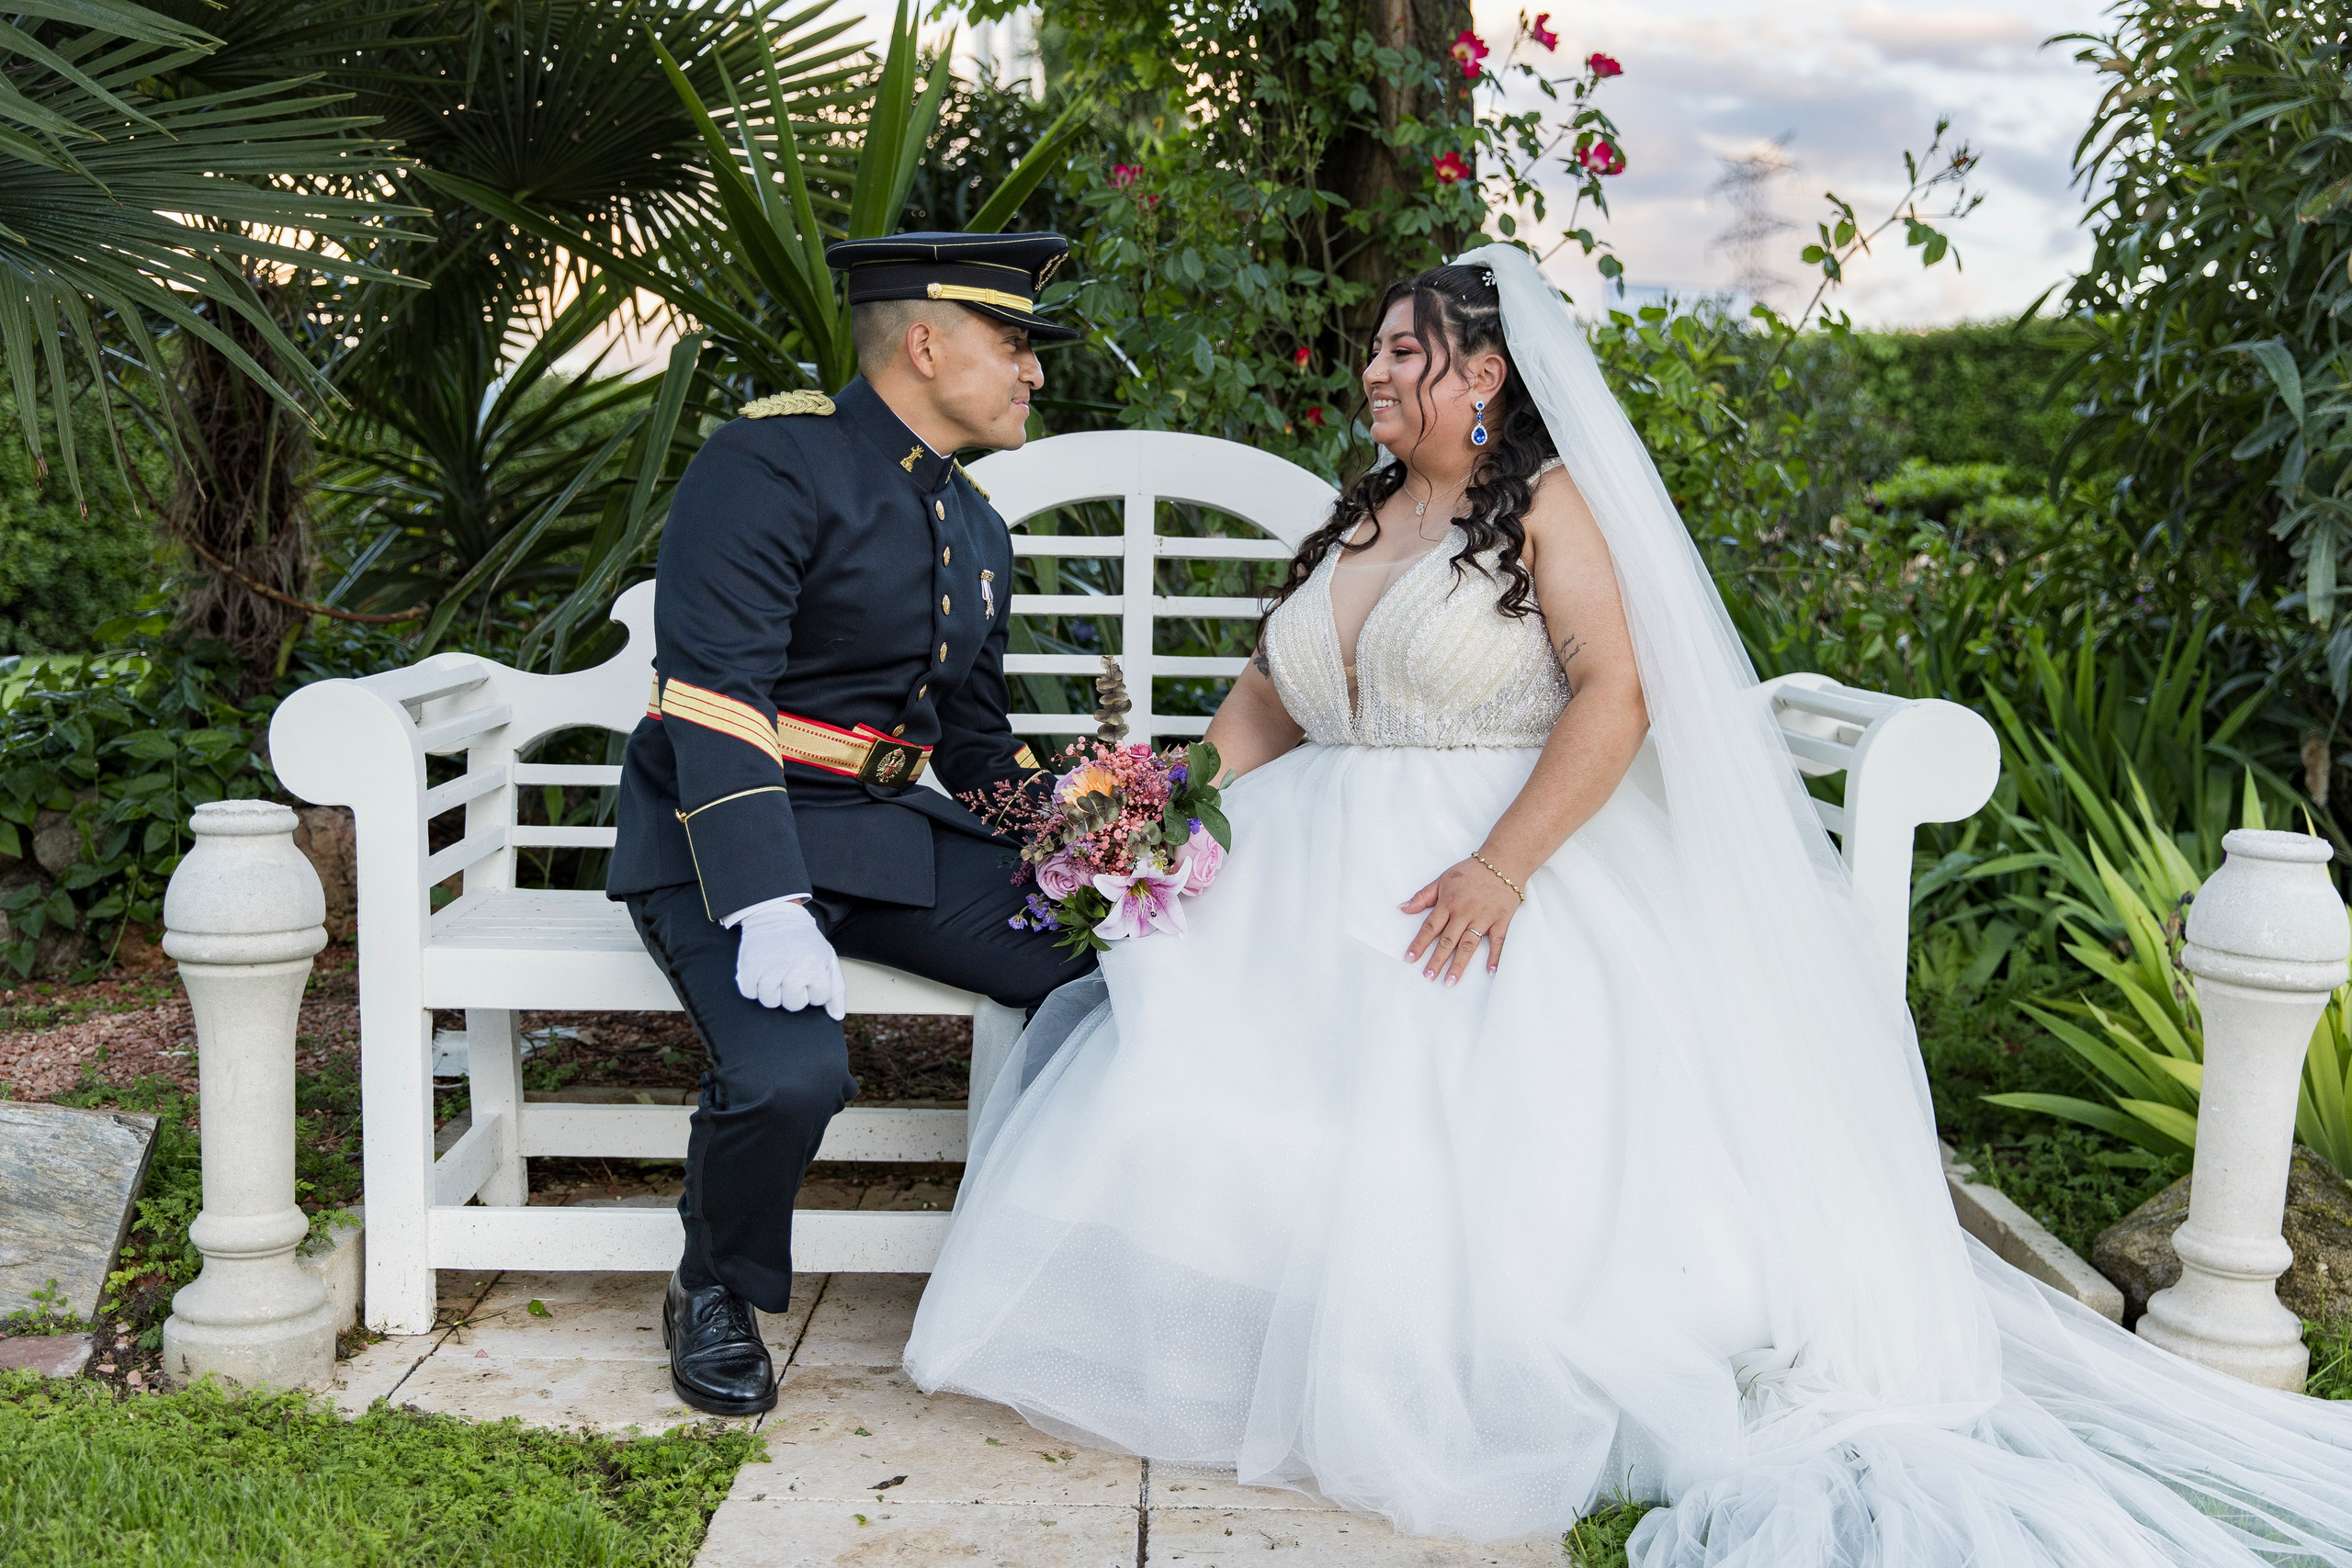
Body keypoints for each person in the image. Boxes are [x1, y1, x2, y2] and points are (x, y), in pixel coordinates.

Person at [902, 245, 2352, 1562]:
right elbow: (1275, 696)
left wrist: (1503, 866)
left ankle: (1437, 1359)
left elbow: (1620, 691)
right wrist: (1159, 808)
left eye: (1407, 351)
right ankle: (1224, 1342)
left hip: (1483, 861)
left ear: (1487, 375)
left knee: (1430, 1088)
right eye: (1377, 350)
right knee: (1181, 1044)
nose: (1377, 372)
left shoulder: (1545, 505)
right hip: (1295, 861)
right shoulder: (1368, 514)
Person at [607, 231, 1096, 1418]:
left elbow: (975, 750)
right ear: (924, 343)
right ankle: (711, 1284)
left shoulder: (977, 532)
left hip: (875, 839)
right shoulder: (769, 465)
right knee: (790, 1075)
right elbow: (715, 694)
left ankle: (1065, 1249)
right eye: (1013, 345)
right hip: (722, 837)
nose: (1035, 373)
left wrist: (1091, 852)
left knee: (1114, 957)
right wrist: (770, 905)